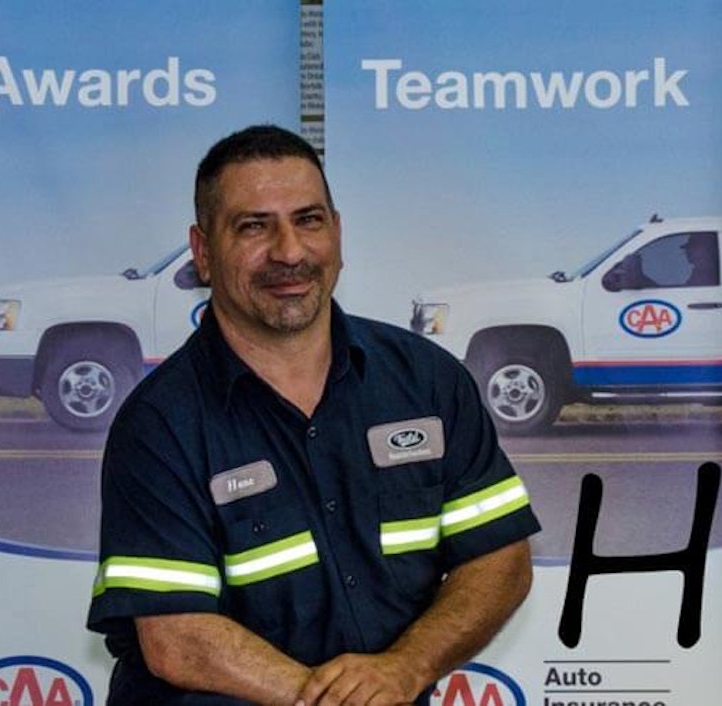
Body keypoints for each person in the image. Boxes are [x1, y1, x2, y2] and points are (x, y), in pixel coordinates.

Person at [87, 125, 541, 705]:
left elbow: (499, 557)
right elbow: (177, 638)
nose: (290, 252)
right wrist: (346, 698)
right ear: (203, 252)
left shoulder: (426, 381)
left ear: (338, 232)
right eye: (254, 226)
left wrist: (405, 669)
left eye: (309, 220)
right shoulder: (160, 424)